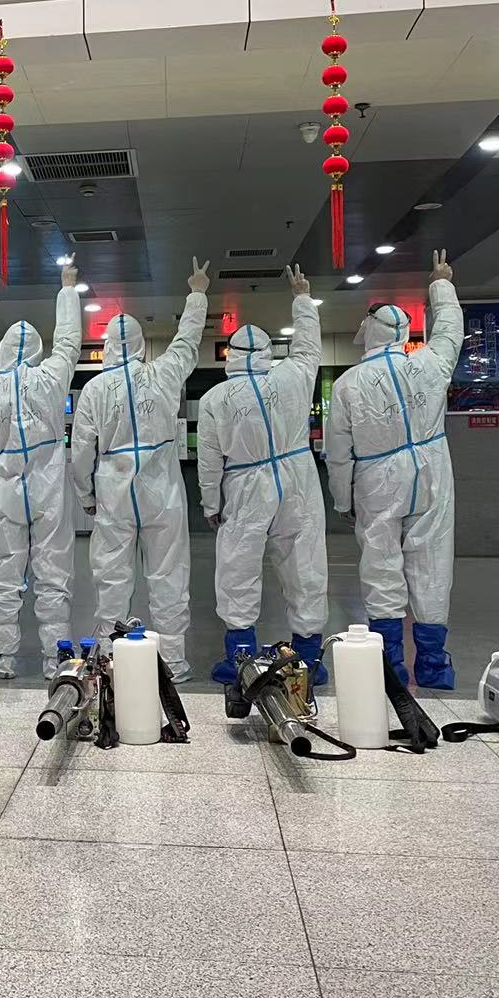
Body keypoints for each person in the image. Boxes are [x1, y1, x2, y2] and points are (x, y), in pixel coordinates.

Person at [326, 250, 465, 689]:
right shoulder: (430, 363)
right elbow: (450, 330)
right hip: (431, 468)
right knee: (433, 561)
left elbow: (337, 452)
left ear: (370, 331)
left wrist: (343, 499)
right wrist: (441, 284)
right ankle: (434, 666)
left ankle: (390, 665)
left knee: (380, 562)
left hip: (377, 478)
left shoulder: (348, 385)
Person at [71, 260, 210, 681]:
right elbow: (187, 341)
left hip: (113, 492)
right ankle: (174, 663)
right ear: (140, 344)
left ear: (108, 345)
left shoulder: (94, 390)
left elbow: (81, 451)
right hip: (162, 491)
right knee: (169, 575)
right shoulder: (163, 373)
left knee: (112, 578)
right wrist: (197, 293)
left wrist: (86, 496)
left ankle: (110, 661)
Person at [197, 265, 328, 685]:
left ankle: (240, 658)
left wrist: (211, 504)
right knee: (305, 564)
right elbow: (308, 347)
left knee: (237, 567)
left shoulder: (215, 398)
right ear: (270, 352)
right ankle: (308, 660)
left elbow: (209, 460)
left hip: (245, 484)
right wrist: (302, 297)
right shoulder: (294, 376)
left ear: (230, 354)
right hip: (298, 477)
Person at [0, 257, 81, 679]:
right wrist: (67, 288)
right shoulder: (53, 377)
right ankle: (56, 660)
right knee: (54, 572)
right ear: (37, 349)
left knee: (4, 573)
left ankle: (1, 658)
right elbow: (68, 341)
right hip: (49, 487)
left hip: (5, 488)